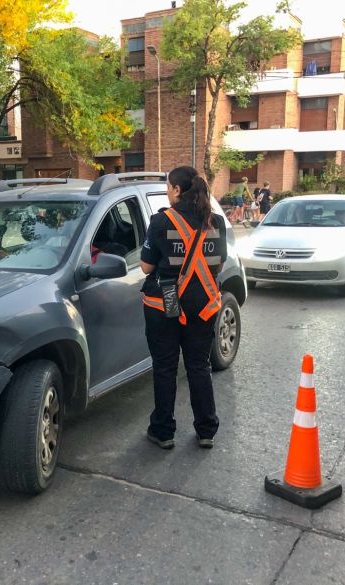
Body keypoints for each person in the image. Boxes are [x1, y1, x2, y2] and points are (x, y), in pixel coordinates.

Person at [140, 166, 227, 450]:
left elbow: (146, 267)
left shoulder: (161, 221)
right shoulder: (215, 222)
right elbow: (219, 265)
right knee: (198, 366)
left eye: (168, 186)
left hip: (165, 305)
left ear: (177, 190)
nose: (167, 191)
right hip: (203, 307)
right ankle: (206, 429)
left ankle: (163, 431)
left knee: (165, 368)